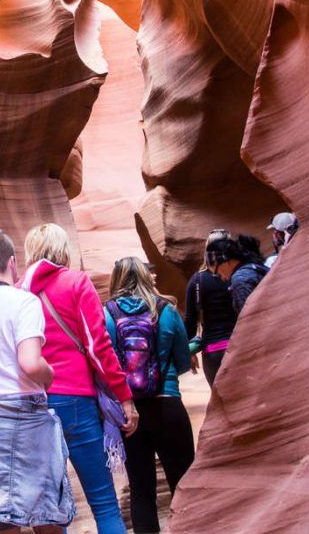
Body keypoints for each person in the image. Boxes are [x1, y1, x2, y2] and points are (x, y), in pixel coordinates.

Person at [0, 228, 74, 533]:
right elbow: (30, 363)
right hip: (27, 417)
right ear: (12, 262)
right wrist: (49, 374)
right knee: (47, 512)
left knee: (0, 517)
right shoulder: (24, 303)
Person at [22, 223, 135, 534]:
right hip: (76, 402)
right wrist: (124, 397)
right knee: (104, 504)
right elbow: (98, 347)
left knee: (49, 511)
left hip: (34, 405)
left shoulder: (19, 292)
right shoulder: (75, 283)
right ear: (63, 250)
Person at [105, 258, 194, 534]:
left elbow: (106, 364)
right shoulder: (166, 310)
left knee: (141, 490)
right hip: (167, 405)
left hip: (130, 412)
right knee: (183, 482)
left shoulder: (107, 314)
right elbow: (182, 361)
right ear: (146, 276)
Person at [183, 229, 237, 386]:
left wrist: (188, 350)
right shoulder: (239, 276)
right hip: (239, 346)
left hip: (213, 351)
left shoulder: (197, 280)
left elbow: (190, 321)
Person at [207, 234, 269, 315]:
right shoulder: (255, 266)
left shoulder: (240, 280)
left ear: (225, 261)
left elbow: (250, 318)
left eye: (217, 273)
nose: (222, 278)